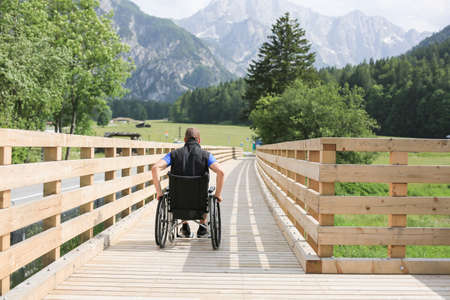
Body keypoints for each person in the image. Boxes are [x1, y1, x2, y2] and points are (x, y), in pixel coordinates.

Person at [152, 128, 224, 238]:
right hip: (200, 202)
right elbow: (221, 172)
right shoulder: (207, 156)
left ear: (184, 140)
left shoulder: (173, 155)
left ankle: (184, 226)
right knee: (205, 193)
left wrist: (159, 192)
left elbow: (155, 168)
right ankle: (202, 226)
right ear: (199, 141)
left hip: (178, 204)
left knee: (182, 190)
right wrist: (218, 194)